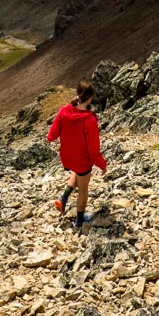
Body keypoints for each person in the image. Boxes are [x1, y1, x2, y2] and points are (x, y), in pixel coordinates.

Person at [47, 81, 107, 228]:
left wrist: (49, 138)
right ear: (90, 97)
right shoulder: (89, 120)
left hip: (67, 157)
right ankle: (80, 221)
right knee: (83, 190)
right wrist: (102, 165)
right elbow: (93, 149)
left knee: (77, 173)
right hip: (81, 159)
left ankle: (63, 200)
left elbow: (52, 134)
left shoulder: (64, 111)